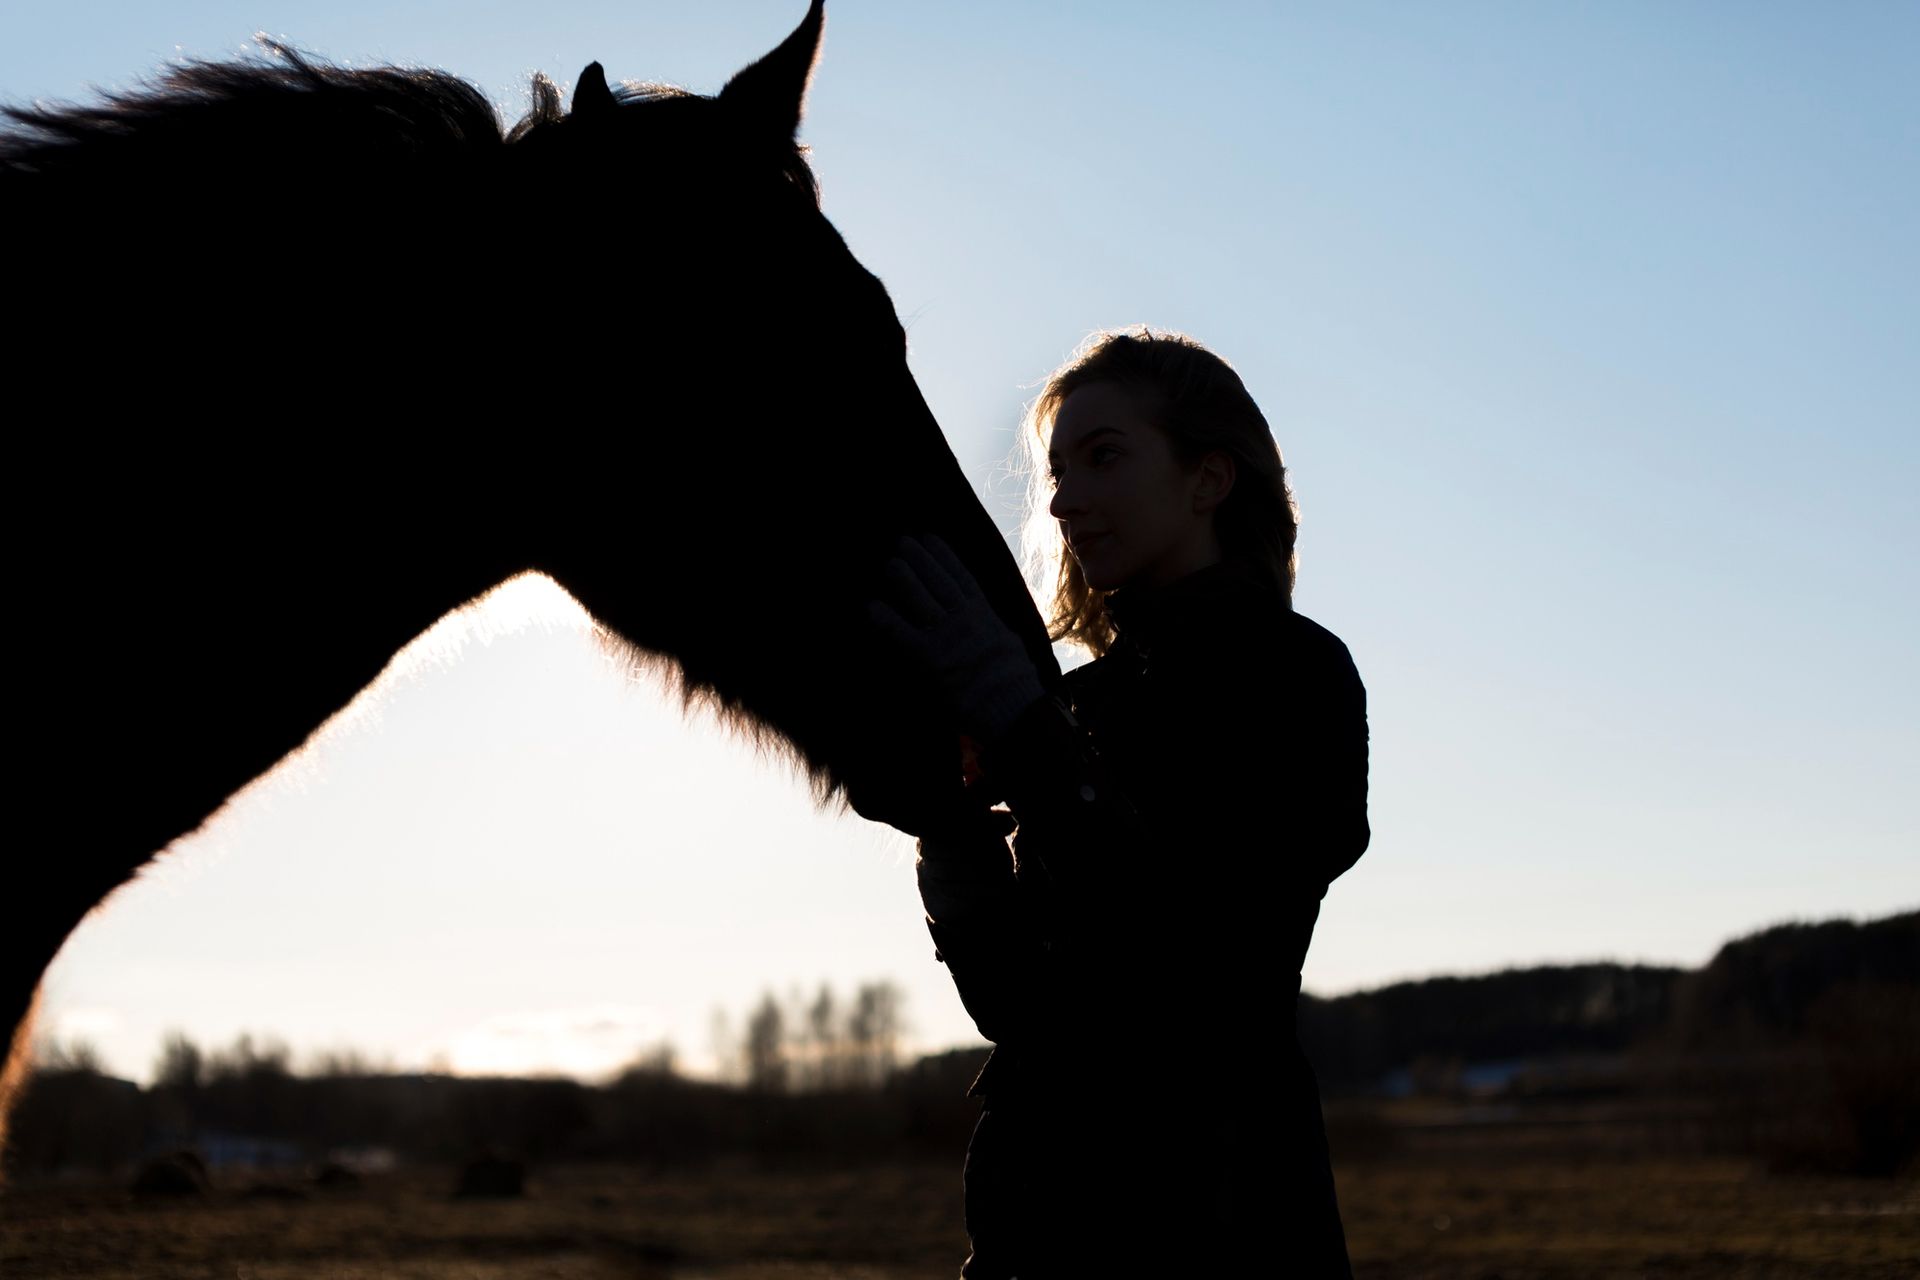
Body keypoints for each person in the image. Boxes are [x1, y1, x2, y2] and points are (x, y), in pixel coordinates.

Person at [868, 328, 1369, 1277]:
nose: (1064, 501)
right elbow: (1020, 1007)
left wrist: (1018, 725)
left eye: (1103, 458)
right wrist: (948, 830)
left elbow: (1189, 954)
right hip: (1036, 1233)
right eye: (1057, 474)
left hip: (1219, 1225)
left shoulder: (1295, 675)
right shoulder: (1077, 704)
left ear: (1208, 480)